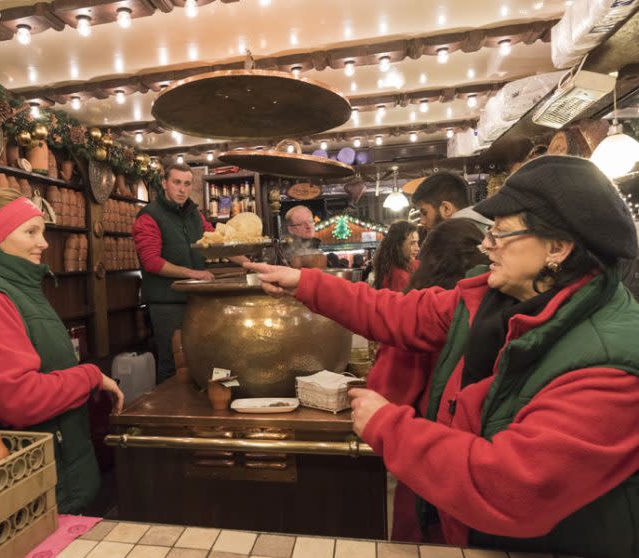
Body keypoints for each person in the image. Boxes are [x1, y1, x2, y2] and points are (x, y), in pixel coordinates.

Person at [246, 156, 639, 558]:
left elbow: (512, 488)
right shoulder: (497, 298)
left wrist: (389, 426)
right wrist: (305, 283)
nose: (485, 245)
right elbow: (397, 313)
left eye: (501, 233)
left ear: (557, 247)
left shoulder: (611, 363)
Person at [0, 189, 124, 515]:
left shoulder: (14, 288)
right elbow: (19, 400)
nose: (44, 243)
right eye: (30, 231)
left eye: (43, 232)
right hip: (27, 486)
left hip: (50, 472)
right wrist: (90, 376)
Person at [368, 218, 489, 542]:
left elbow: (387, 390)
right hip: (478, 465)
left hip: (424, 458)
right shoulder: (496, 309)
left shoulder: (420, 313)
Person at [133, 163, 216, 382]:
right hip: (166, 304)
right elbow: (151, 262)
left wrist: (249, 261)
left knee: (197, 361)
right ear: (164, 183)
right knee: (172, 365)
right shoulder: (149, 215)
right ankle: (170, 412)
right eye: (176, 182)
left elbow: (215, 241)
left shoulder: (194, 214)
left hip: (196, 301)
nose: (182, 189)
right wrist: (193, 274)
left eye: (187, 184)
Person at [411, 171, 492, 230]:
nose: (422, 221)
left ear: (446, 209)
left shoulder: (458, 240)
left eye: (424, 213)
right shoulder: (486, 229)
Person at [371, 221, 420, 291]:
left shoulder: (388, 266)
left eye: (417, 242)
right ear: (398, 245)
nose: (417, 248)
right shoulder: (401, 277)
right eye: (412, 243)